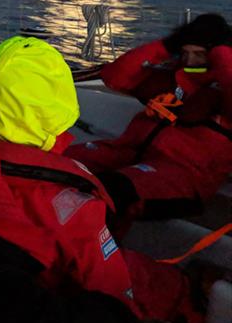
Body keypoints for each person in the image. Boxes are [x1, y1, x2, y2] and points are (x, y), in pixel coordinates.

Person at [0, 36, 197, 323]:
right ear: (57, 110)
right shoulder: (73, 208)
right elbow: (115, 299)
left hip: (3, 297)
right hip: (67, 306)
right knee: (165, 284)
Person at [65, 13, 232, 226]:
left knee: (113, 191)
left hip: (182, 172)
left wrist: (223, 55)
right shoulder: (170, 79)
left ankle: (95, 255)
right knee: (56, 163)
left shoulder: (224, 90)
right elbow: (115, 77)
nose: (190, 61)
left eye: (199, 54)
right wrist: (166, 46)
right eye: (185, 53)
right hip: (128, 152)